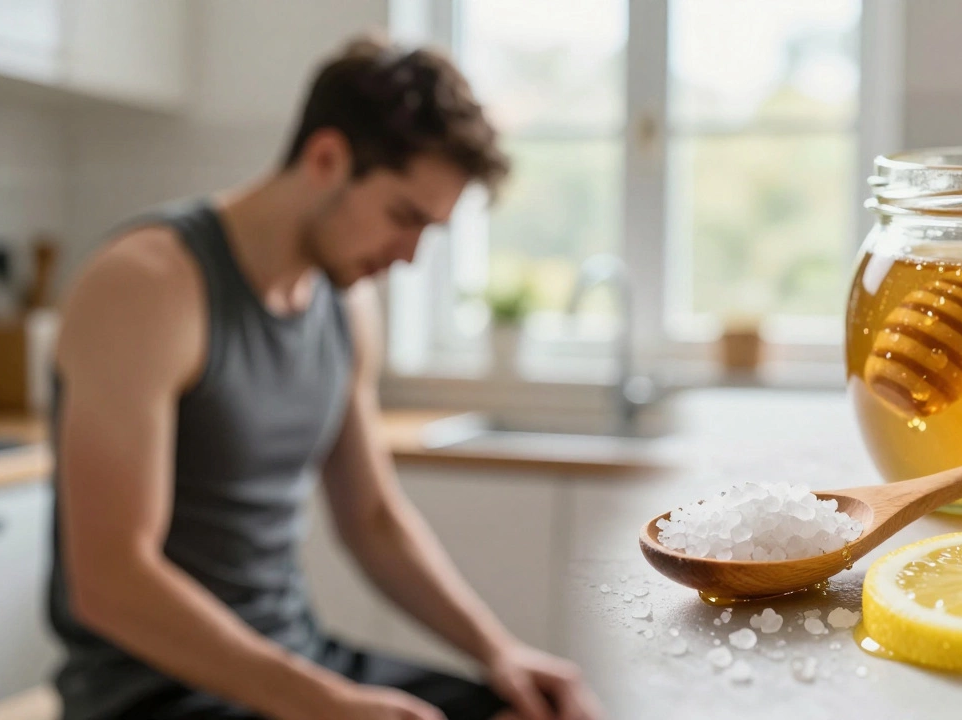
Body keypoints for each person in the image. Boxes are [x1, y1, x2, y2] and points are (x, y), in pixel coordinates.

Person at [48, 34, 603, 720]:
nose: (408, 257)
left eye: (430, 231)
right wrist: (326, 705)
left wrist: (499, 651)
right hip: (153, 694)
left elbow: (372, 518)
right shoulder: (148, 286)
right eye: (404, 218)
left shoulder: (346, 305)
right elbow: (107, 581)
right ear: (326, 158)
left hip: (298, 660)